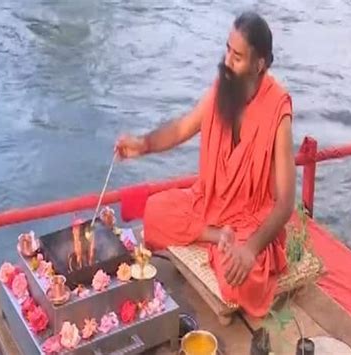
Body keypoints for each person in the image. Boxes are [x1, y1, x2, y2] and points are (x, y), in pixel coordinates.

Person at [115, 11, 296, 318]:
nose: (227, 61)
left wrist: (250, 249)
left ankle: (222, 241)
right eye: (227, 50)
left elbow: (286, 202)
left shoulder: (278, 110)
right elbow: (182, 128)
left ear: (259, 64)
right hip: (209, 205)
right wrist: (142, 144)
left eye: (237, 57)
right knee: (155, 210)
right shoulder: (223, 87)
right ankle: (214, 236)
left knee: (241, 276)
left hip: (248, 217)